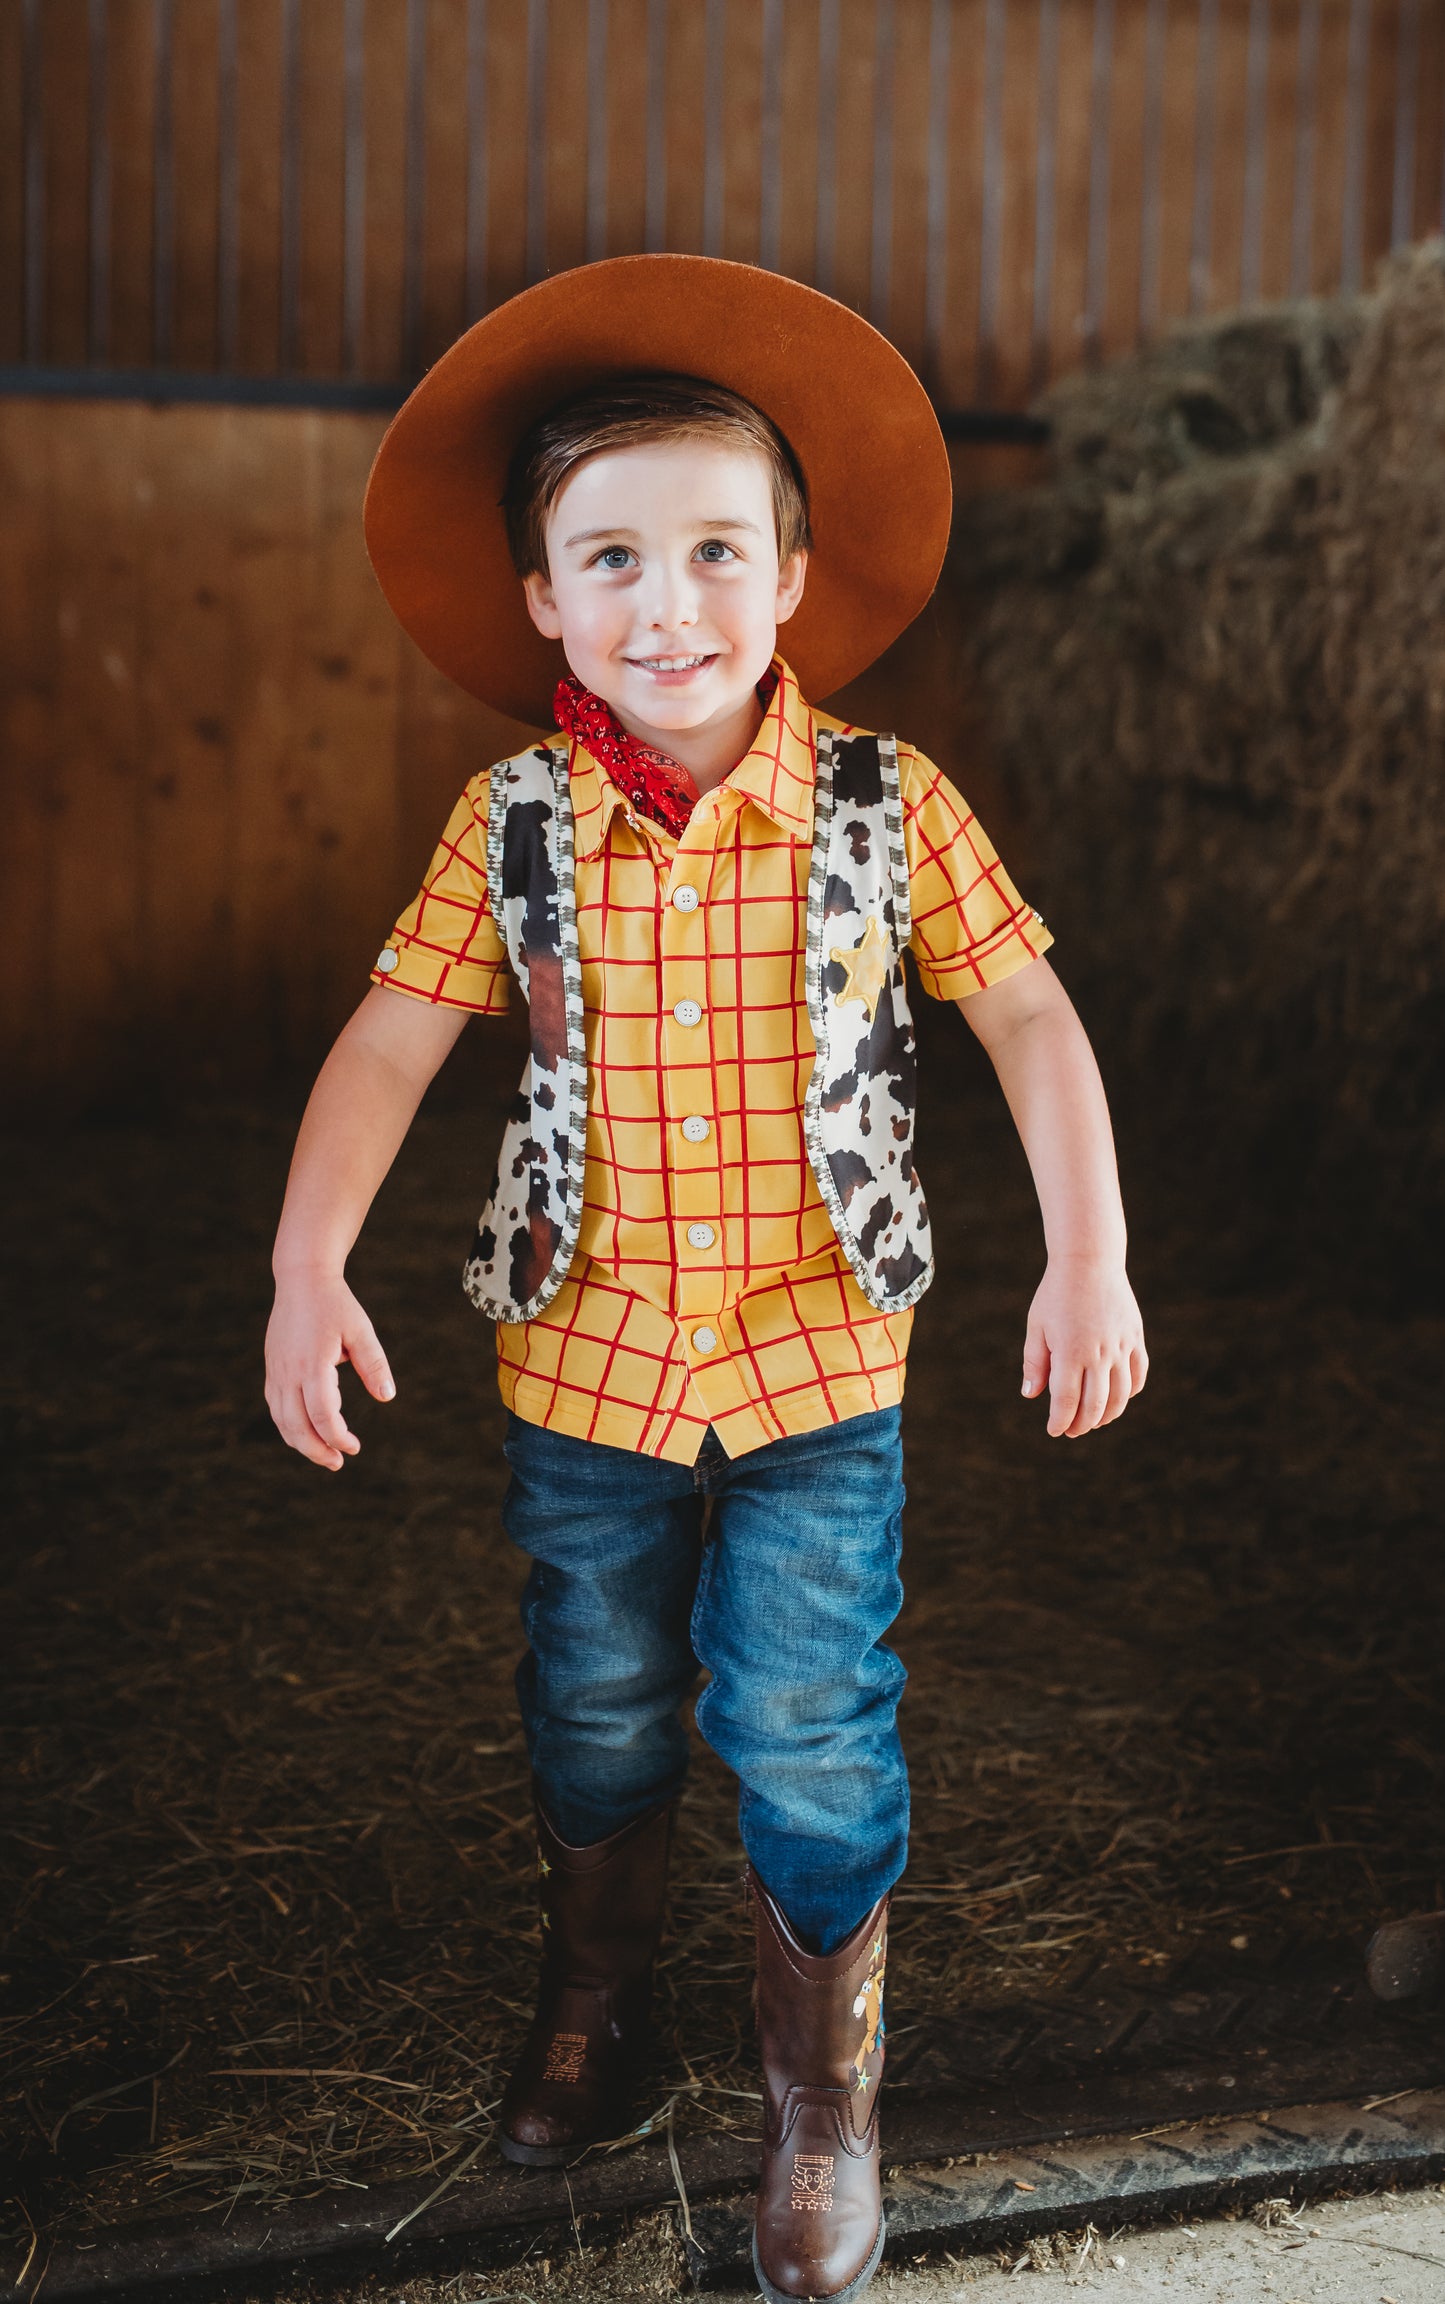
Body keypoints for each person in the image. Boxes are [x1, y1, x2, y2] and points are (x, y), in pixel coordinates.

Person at [263, 255, 1147, 2304]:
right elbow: (391, 1041)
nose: (673, 603)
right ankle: (599, 2000)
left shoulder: (885, 804)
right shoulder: (511, 829)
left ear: (796, 579)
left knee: (816, 1720)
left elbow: (1025, 1018)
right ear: (547, 606)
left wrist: (1088, 1252)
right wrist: (309, 1263)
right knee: (595, 1702)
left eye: (718, 551)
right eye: (615, 559)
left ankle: (820, 2106)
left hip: (823, 1366)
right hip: (587, 1375)